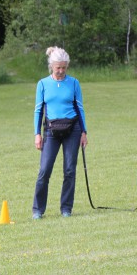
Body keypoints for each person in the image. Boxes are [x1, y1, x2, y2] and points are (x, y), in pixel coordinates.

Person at [32, 46, 88, 219]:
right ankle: (38, 210)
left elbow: (80, 108)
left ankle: (66, 208)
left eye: (64, 67)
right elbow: (38, 111)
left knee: (70, 170)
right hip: (50, 131)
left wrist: (84, 132)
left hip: (73, 129)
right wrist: (37, 134)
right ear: (51, 66)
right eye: (58, 68)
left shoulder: (74, 83)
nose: (61, 71)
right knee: (44, 171)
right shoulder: (42, 84)